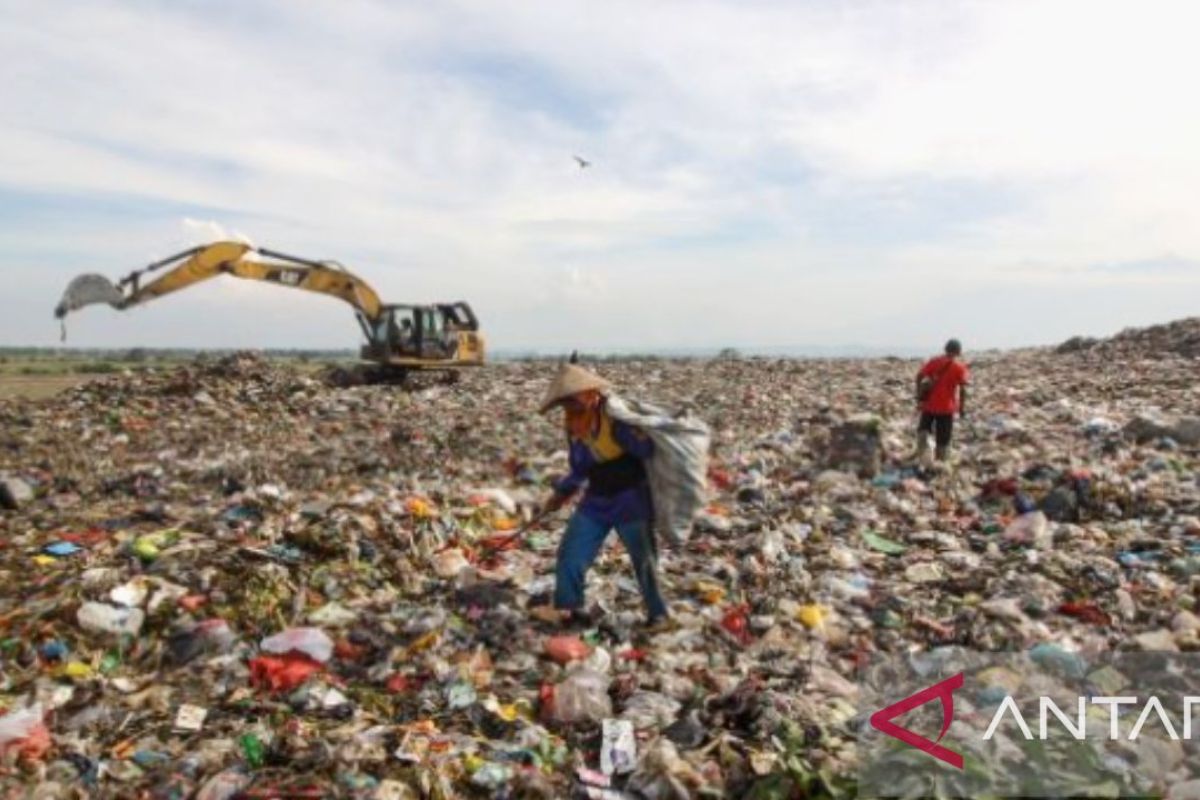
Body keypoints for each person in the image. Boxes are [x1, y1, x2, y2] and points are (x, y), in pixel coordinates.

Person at [537, 362, 669, 627]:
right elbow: (579, 469)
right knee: (571, 552)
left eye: (573, 401)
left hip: (631, 500)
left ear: (591, 395)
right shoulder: (574, 426)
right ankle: (572, 609)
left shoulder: (616, 422)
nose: (570, 408)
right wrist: (560, 495)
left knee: (644, 560)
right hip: (596, 501)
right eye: (566, 404)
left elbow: (649, 452)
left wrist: (641, 441)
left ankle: (659, 614)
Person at [915, 338, 970, 463]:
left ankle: (923, 460)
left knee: (923, 433)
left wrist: (918, 396)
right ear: (959, 351)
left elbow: (919, 376)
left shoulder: (934, 361)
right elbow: (963, 389)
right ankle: (940, 465)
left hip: (929, 406)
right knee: (943, 440)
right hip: (947, 409)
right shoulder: (959, 367)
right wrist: (962, 409)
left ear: (945, 349)